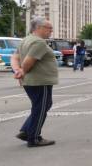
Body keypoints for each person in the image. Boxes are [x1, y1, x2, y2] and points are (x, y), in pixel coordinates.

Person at [11, 17, 58, 147]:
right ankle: (34, 138)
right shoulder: (39, 42)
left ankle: (27, 131)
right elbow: (29, 61)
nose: (51, 31)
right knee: (41, 108)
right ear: (39, 28)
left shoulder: (25, 40)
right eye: (49, 28)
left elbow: (14, 57)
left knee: (42, 106)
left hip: (33, 81)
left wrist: (17, 71)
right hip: (39, 81)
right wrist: (22, 71)